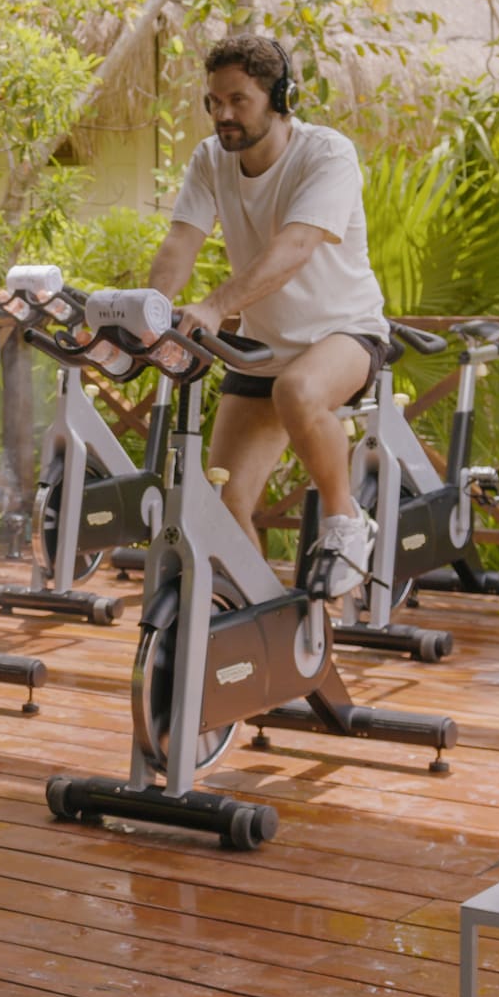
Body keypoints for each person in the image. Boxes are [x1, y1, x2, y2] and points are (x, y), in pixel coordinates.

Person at [145, 34, 391, 596]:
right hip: (263, 348)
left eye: (238, 100)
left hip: (344, 333)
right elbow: (181, 242)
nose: (223, 114)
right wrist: (149, 312)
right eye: (214, 102)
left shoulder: (327, 154)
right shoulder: (211, 159)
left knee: (299, 391)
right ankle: (269, 620)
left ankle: (344, 520)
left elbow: (295, 247)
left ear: (281, 98)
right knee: (225, 502)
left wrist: (214, 305)